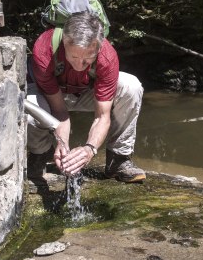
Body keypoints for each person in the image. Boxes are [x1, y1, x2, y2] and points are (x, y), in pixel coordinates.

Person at [26, 10, 146, 183]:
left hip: (85, 92)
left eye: (88, 59)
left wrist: (90, 149)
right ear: (64, 43)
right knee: (29, 109)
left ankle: (118, 160)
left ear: (98, 47)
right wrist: (62, 144)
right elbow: (59, 110)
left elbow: (102, 116)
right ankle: (41, 153)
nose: (79, 65)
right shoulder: (44, 49)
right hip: (52, 96)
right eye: (73, 57)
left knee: (131, 86)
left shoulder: (107, 56)